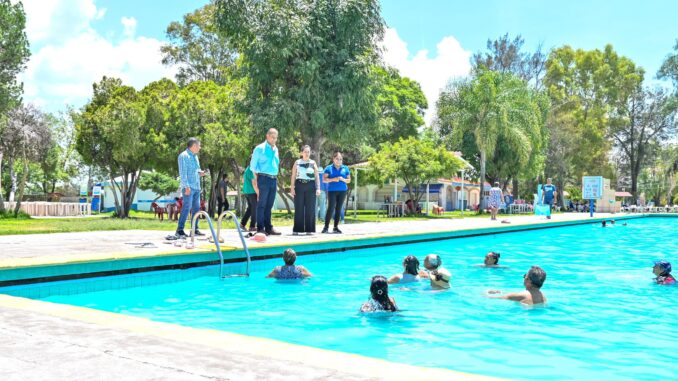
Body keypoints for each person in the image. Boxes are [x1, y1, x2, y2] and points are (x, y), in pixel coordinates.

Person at [250, 128, 281, 236]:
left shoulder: (275, 149)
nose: (274, 140)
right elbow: (252, 166)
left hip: (273, 179)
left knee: (269, 204)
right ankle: (260, 228)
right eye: (273, 137)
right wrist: (256, 181)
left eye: (276, 138)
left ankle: (268, 227)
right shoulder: (259, 148)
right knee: (262, 204)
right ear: (267, 136)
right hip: (263, 178)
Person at [175, 137, 208, 238]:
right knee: (186, 207)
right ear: (194, 146)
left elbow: (196, 170)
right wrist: (186, 187)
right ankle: (179, 230)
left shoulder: (195, 157)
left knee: (196, 209)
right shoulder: (183, 156)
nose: (200, 147)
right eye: (199, 145)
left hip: (197, 187)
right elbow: (183, 173)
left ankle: (195, 229)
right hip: (188, 187)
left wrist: (201, 173)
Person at [291, 145, 321, 235]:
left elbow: (316, 176)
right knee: (299, 207)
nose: (307, 153)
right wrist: (292, 188)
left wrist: (318, 188)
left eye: (308, 152)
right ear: (301, 153)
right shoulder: (297, 162)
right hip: (299, 185)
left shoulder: (313, 162)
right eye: (305, 152)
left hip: (311, 186)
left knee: (310, 208)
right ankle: (297, 229)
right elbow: (293, 175)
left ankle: (309, 229)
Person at [322, 152, 350, 234]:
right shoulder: (328, 168)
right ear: (333, 159)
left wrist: (343, 179)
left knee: (338, 208)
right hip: (332, 191)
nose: (339, 160)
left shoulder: (345, 168)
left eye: (340, 159)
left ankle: (335, 227)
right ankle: (326, 227)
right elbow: (324, 180)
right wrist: (333, 179)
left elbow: (349, 180)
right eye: (337, 159)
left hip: (343, 191)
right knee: (331, 208)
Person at [240, 161, 258, 232]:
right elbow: (254, 183)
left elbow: (243, 180)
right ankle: (252, 226)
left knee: (250, 208)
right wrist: (258, 193)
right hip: (252, 191)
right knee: (254, 209)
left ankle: (242, 224)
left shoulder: (247, 169)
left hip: (247, 191)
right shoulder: (251, 169)